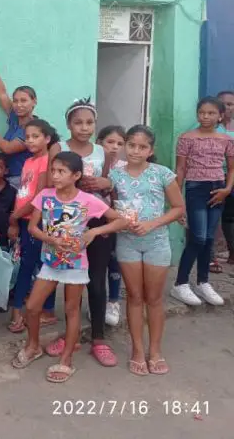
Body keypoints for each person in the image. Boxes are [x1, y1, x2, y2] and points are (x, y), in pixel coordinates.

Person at [12, 152, 126, 383]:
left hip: (75, 263)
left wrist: (94, 231)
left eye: (61, 171)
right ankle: (33, 346)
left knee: (72, 310)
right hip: (50, 262)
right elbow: (33, 227)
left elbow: (120, 220)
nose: (55, 175)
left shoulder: (88, 200)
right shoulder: (45, 196)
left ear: (76, 175)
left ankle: (66, 360)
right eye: (53, 170)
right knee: (33, 307)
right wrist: (50, 239)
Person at [48, 99, 118, 367]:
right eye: (78, 122)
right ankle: (71, 336)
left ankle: (99, 339)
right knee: (71, 282)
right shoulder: (59, 148)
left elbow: (113, 187)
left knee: (96, 281)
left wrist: (105, 182)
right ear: (68, 125)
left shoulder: (102, 151)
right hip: (67, 223)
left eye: (89, 122)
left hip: (97, 222)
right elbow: (49, 183)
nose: (84, 127)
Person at [110, 126, 184, 376]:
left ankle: (155, 351)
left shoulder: (163, 174)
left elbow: (177, 208)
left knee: (154, 298)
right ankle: (137, 350)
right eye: (131, 145)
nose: (136, 151)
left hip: (156, 242)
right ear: (125, 146)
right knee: (134, 296)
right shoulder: (115, 175)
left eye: (142, 147)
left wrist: (151, 224)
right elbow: (108, 203)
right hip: (127, 242)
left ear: (150, 151)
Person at [171, 96, 234, 306]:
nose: (205, 117)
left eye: (211, 113)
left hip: (218, 188)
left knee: (208, 238)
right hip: (195, 189)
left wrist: (226, 189)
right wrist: (177, 200)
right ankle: (180, 284)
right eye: (202, 113)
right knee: (197, 237)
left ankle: (203, 282)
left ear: (220, 116)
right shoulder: (187, 137)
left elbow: (232, 168)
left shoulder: (226, 140)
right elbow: (180, 169)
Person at [7, 119, 59, 332]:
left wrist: (14, 217)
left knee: (40, 266)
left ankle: (36, 310)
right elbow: (23, 192)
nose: (30, 140)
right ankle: (24, 309)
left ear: (47, 138)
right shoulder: (29, 161)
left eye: (35, 136)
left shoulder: (47, 162)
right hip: (23, 218)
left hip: (37, 221)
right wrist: (16, 216)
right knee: (28, 265)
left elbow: (39, 196)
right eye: (27, 137)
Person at [0, 50, 37, 189]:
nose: (19, 105)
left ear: (34, 102)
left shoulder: (33, 129)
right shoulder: (14, 116)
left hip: (21, 179)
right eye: (16, 100)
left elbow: (8, 148)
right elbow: (1, 93)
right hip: (7, 176)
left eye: (24, 100)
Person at [97, 125, 127, 326]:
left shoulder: (125, 167)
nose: (114, 147)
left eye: (119, 143)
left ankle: (113, 301)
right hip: (97, 219)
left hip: (121, 220)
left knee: (115, 262)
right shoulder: (93, 164)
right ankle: (97, 304)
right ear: (99, 143)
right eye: (110, 142)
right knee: (97, 265)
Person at [215, 90, 234, 267]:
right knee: (214, 215)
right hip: (216, 176)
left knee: (230, 217)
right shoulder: (212, 127)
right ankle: (212, 256)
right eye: (224, 104)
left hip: (232, 176)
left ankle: (232, 253)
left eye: (231, 104)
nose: (227, 108)